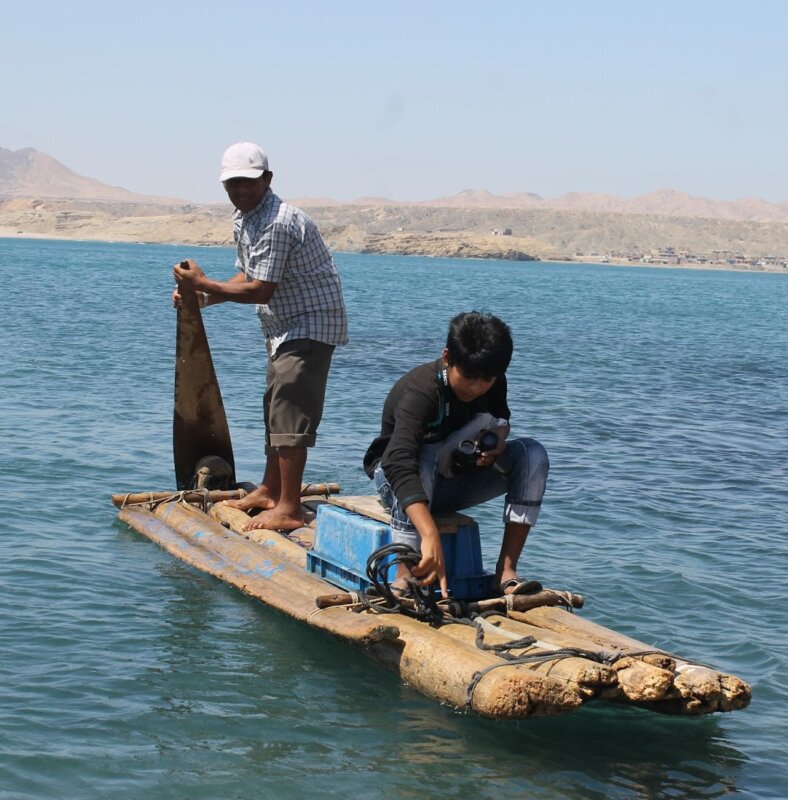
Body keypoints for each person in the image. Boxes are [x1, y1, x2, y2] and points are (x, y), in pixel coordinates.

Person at [172, 141, 348, 532]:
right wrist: (202, 298)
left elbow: (260, 290)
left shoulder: (279, 221)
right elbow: (245, 278)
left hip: (310, 323)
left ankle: (289, 507)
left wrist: (202, 282)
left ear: (267, 179)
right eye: (233, 184)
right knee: (275, 408)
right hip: (283, 327)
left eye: (248, 183)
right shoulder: (246, 219)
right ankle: (270, 490)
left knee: (290, 415)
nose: (240, 191)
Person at [363, 311, 549, 598]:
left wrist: (498, 440)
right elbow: (398, 462)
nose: (476, 387)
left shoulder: (494, 381)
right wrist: (429, 534)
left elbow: (501, 419)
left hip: (450, 479)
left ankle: (506, 572)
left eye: (487, 379)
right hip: (397, 481)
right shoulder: (422, 390)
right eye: (469, 377)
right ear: (448, 357)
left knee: (532, 454)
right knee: (422, 457)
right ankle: (405, 574)